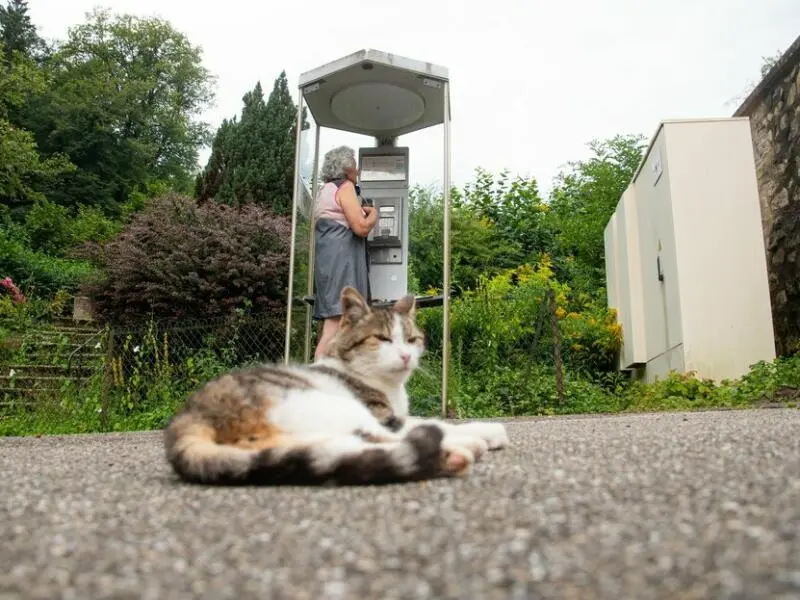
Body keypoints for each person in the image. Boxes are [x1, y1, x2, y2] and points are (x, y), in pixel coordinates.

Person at [312, 145, 378, 360]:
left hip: (329, 263)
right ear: (347, 168)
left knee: (335, 324)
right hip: (342, 263)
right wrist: (374, 214)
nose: (357, 171)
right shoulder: (345, 187)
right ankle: (319, 379)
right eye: (355, 167)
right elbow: (360, 227)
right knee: (335, 324)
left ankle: (330, 375)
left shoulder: (325, 190)